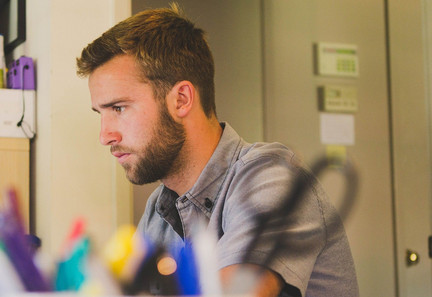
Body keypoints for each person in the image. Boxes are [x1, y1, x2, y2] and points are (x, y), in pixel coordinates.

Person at [76, 4, 359, 297]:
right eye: (101, 113)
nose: (105, 135)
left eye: (119, 108)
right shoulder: (158, 210)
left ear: (182, 99)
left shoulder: (273, 177)